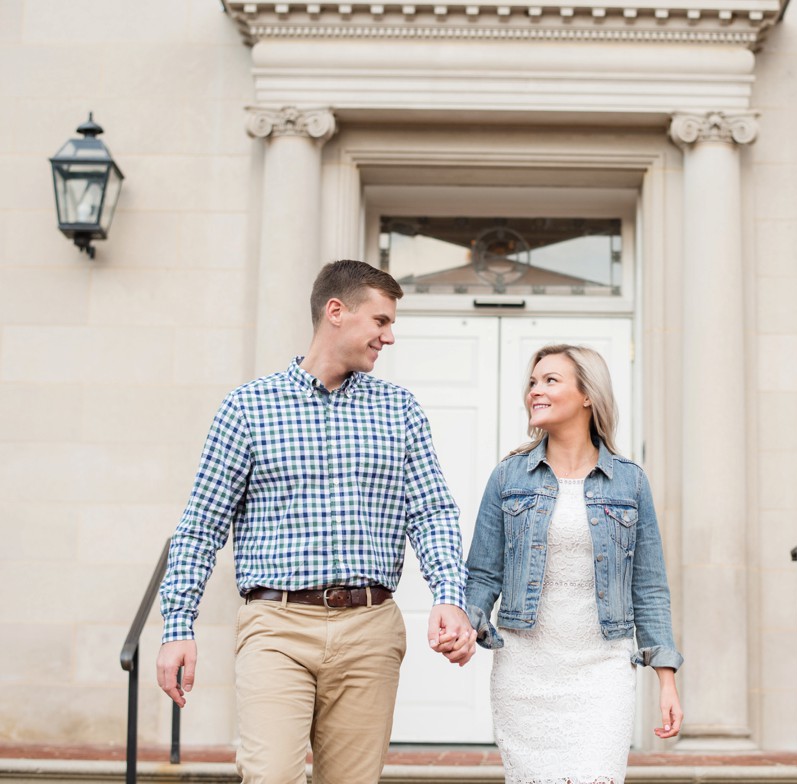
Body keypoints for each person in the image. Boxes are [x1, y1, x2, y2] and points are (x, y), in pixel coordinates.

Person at [156, 259, 477, 784]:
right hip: (276, 627)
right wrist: (177, 627)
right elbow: (200, 527)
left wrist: (448, 594)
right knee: (271, 777)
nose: (389, 336)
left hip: (369, 627)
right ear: (336, 312)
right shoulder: (248, 408)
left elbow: (432, 511)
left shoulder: (400, 410)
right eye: (381, 321)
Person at [465, 344, 683, 784]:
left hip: (602, 670)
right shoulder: (507, 477)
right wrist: (464, 624)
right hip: (525, 671)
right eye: (532, 382)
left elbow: (650, 586)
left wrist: (666, 678)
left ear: (588, 395)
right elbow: (483, 573)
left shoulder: (629, 480)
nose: (534, 392)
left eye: (550, 381)